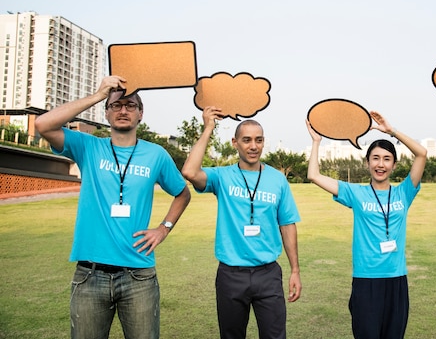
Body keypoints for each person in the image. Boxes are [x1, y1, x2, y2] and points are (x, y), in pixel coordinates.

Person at [34, 75, 192, 339]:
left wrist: (163, 229)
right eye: (116, 105)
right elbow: (42, 124)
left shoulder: (156, 155)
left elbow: (182, 194)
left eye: (130, 105)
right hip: (89, 275)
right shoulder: (88, 147)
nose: (123, 110)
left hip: (139, 276)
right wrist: (98, 95)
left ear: (141, 114)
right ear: (106, 113)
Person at [181, 106, 301, 339]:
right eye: (246, 140)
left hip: (268, 273)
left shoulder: (277, 179)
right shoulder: (222, 176)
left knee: (275, 336)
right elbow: (189, 171)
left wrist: (295, 270)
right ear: (235, 143)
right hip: (231, 274)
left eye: (258, 140)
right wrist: (208, 128)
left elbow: (287, 225)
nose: (253, 146)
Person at [306, 111, 427, 339]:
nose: (380, 164)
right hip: (366, 280)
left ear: (394, 164)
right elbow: (313, 175)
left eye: (386, 159)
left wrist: (390, 131)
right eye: (375, 158)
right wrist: (316, 142)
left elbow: (422, 154)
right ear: (367, 162)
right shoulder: (356, 193)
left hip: (396, 280)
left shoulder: (405, 191)